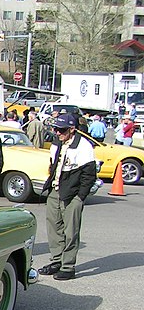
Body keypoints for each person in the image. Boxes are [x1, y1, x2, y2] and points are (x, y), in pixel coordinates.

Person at [38, 113, 97, 281]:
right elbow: (53, 164)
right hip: (55, 190)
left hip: (72, 194)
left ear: (72, 129)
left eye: (61, 130)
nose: (57, 133)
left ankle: (68, 266)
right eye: (56, 129)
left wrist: (80, 197)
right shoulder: (57, 143)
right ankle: (56, 260)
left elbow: (89, 175)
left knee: (70, 231)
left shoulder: (83, 147)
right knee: (53, 228)